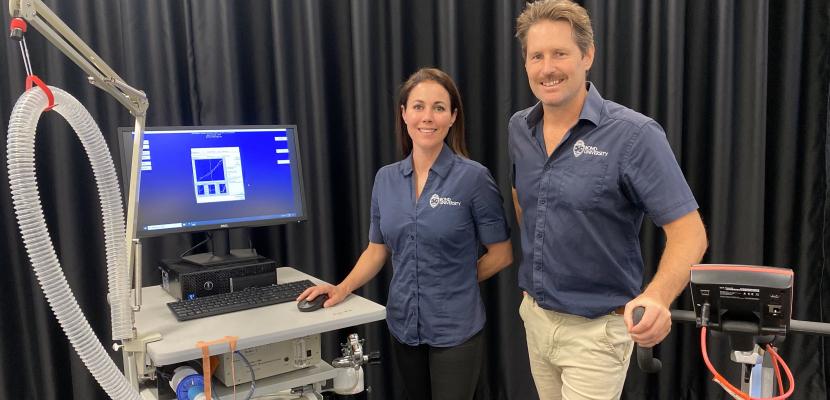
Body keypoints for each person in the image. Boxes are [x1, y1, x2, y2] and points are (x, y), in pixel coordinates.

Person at [508, 1, 708, 399]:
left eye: (560, 53)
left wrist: (656, 296)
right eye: (537, 56)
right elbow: (524, 201)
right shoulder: (520, 128)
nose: (547, 67)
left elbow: (691, 235)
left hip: (598, 332)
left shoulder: (635, 135)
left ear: (587, 55)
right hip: (536, 318)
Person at [298, 67, 513, 400]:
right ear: (404, 114)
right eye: (418, 106)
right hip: (403, 327)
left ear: (453, 117)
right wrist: (342, 287)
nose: (428, 117)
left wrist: (456, 280)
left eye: (439, 107)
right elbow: (376, 249)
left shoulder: (473, 179)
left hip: (455, 331)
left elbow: (501, 254)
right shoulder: (386, 179)